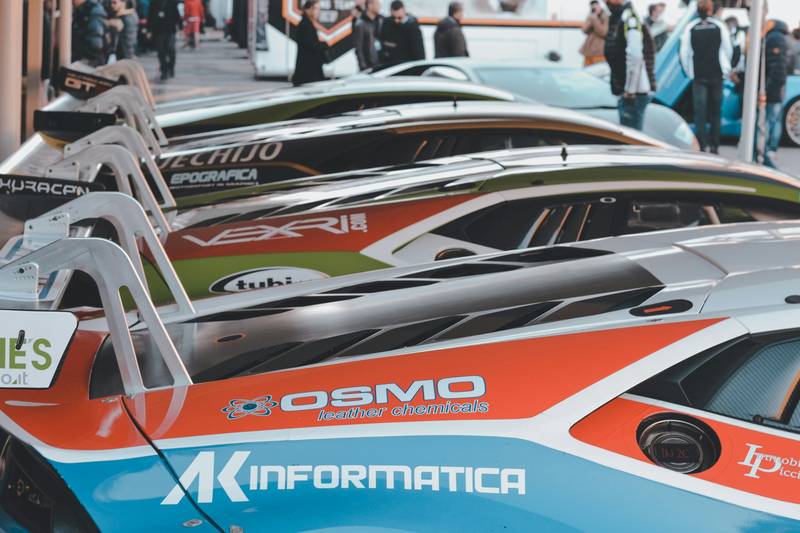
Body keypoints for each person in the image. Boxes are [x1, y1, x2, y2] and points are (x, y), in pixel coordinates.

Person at [679, 0, 733, 154]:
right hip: (716, 74)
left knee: (700, 113)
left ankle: (702, 146)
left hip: (699, 75)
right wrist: (726, 68)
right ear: (711, 10)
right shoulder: (719, 26)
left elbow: (684, 53)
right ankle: (714, 146)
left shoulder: (691, 27)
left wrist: (690, 72)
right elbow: (727, 49)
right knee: (716, 112)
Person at [604, 0, 656, 132]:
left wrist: (630, 90)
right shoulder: (621, 17)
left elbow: (635, 55)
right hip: (629, 91)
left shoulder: (629, 18)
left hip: (633, 94)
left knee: (631, 140)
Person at [762, 20, 791, 167]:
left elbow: (776, 67)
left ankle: (766, 150)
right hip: (778, 86)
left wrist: (768, 89)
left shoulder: (774, 38)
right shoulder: (782, 38)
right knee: (775, 118)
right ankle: (770, 150)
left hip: (774, 87)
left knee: (769, 119)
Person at [293, 0, 330, 86]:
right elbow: (312, 45)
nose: (318, 12)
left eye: (319, 9)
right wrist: (324, 44)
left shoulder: (308, 24)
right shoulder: (305, 25)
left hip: (310, 71)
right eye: (316, 8)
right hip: (308, 73)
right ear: (308, 9)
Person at [380, 0, 425, 66]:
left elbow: (418, 50)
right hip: (391, 63)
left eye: (399, 18)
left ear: (404, 11)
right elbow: (383, 41)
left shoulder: (412, 26)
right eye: (393, 17)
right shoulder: (387, 23)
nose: (396, 20)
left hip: (408, 64)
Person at [148, 0, 182, 80]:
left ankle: (171, 67)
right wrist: (149, 29)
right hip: (159, 30)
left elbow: (177, 15)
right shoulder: (154, 3)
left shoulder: (173, 2)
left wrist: (180, 26)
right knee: (161, 51)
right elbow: (150, 16)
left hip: (170, 30)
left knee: (171, 50)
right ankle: (164, 70)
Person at [72, 0, 107, 66]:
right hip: (84, 57)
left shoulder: (93, 9)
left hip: (90, 59)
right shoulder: (81, 9)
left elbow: (96, 40)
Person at [352, 0, 383, 70]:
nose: (380, 6)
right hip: (369, 64)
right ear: (370, 5)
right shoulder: (360, 23)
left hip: (382, 63)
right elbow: (358, 47)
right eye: (377, 4)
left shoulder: (381, 20)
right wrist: (363, 65)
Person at [580, 1, 608, 66]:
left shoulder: (605, 16)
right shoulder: (591, 16)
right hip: (589, 51)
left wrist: (595, 19)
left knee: (598, 70)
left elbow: (604, 32)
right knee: (586, 70)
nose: (595, 8)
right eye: (593, 6)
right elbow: (584, 30)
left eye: (597, 6)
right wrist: (591, 18)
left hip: (600, 52)